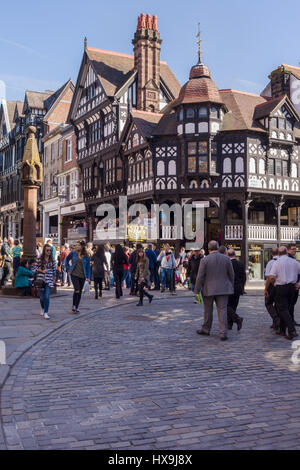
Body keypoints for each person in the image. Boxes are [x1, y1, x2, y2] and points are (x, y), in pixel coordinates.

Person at [194, 240, 234, 341]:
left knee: (208, 310)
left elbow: (200, 277)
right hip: (223, 289)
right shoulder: (226, 259)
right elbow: (231, 274)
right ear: (217, 247)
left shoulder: (205, 260)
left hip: (208, 289)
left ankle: (206, 329)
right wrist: (230, 285)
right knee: (222, 310)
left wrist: (196, 290)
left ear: (208, 249)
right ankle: (223, 332)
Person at [265, 246, 300, 340]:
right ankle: (282, 330)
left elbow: (271, 277)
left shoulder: (277, 263)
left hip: (281, 287)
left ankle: (292, 330)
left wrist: (273, 284)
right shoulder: (295, 262)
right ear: (286, 252)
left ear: (279, 254)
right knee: (287, 308)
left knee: (282, 309)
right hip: (292, 288)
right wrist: (299, 283)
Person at [66, 241, 91, 313]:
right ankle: (74, 305)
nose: (77, 246)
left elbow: (88, 267)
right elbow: (67, 260)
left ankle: (76, 307)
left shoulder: (86, 255)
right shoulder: (73, 253)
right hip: (74, 274)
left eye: (78, 245)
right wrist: (68, 268)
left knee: (79, 292)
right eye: (76, 245)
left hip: (83, 275)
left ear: (82, 246)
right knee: (77, 289)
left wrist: (88, 277)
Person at [35, 244, 57, 319]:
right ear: (44, 250)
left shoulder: (53, 260)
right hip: (41, 280)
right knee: (41, 297)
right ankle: (42, 308)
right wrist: (42, 270)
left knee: (47, 297)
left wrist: (54, 280)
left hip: (49, 280)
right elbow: (35, 268)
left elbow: (55, 271)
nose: (49, 252)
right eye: (47, 250)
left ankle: (46, 312)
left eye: (50, 250)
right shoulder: (39, 259)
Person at [227, 249, 246, 331]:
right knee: (233, 306)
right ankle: (230, 324)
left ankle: (237, 319)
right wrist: (242, 286)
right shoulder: (240, 263)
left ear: (228, 255)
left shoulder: (227, 264)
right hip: (238, 288)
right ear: (235, 255)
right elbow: (244, 277)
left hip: (229, 287)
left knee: (227, 306)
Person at [264, 248, 280, 331]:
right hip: (281, 285)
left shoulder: (270, 263)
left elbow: (268, 278)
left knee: (268, 303)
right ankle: (275, 323)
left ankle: (276, 319)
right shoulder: (281, 261)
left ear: (271, 254)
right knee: (277, 304)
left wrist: (265, 289)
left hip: (272, 286)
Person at [287, 243, 300, 327]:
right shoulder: (287, 260)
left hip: (296, 285)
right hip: (289, 285)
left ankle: (290, 320)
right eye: (293, 249)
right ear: (288, 250)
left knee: (292, 304)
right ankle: (289, 321)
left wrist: (299, 283)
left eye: (295, 249)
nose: (295, 250)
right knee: (289, 305)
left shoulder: (295, 260)